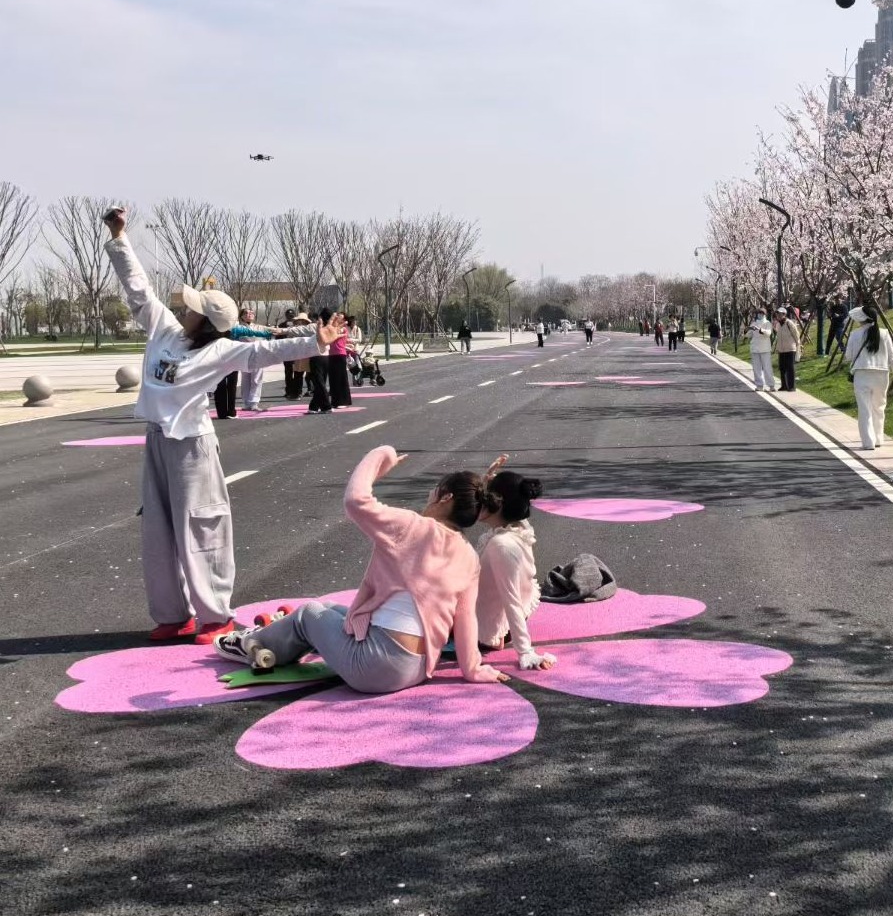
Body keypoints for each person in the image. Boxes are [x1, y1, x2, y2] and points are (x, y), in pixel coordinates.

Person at [101, 207, 341, 644]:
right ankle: (173, 614)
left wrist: (314, 342)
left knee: (201, 525)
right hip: (157, 440)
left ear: (206, 322)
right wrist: (120, 238)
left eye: (192, 309)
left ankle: (215, 616)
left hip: (192, 446)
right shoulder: (164, 329)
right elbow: (138, 289)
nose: (184, 309)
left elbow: (265, 353)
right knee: (157, 530)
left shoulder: (222, 351)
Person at [217, 447, 509, 694]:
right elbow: (465, 617)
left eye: (434, 491)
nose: (429, 496)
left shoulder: (413, 526)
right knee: (330, 609)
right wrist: (472, 668)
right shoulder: (468, 556)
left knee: (308, 614)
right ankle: (279, 638)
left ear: (445, 498)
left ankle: (250, 643)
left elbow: (356, 500)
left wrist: (382, 455)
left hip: (374, 667)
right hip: (418, 668)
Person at [474, 469, 559, 670]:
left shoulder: (501, 545)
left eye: (485, 498)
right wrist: (485, 482)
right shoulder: (518, 526)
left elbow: (511, 599)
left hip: (488, 625)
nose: (478, 502)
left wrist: (525, 651)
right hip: (496, 614)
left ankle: (483, 638)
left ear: (497, 504)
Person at [844, 304, 893, 450]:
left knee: (864, 409)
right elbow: (892, 356)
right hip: (882, 374)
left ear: (861, 319)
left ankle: (868, 442)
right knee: (879, 408)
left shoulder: (855, 335)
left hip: (862, 374)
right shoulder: (884, 334)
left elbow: (848, 356)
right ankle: (879, 438)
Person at [327, 313, 353, 409]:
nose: (338, 317)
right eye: (337, 316)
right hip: (330, 355)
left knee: (340, 378)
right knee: (333, 379)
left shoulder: (343, 329)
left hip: (340, 354)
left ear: (344, 320)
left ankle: (343, 401)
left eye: (340, 317)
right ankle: (335, 401)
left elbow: (336, 334)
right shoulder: (332, 327)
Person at [747, 308, 776, 392]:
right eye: (759, 313)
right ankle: (759, 385)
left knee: (767, 368)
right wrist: (746, 330)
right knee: (756, 369)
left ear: (765, 314)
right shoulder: (753, 323)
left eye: (762, 313)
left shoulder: (767, 323)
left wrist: (760, 330)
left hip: (765, 349)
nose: (760, 315)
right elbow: (748, 335)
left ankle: (771, 385)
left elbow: (768, 333)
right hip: (755, 348)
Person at [774, 306, 801, 391]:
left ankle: (792, 386)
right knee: (782, 368)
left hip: (790, 348)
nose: (778, 315)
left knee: (790, 368)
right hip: (781, 349)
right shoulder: (778, 324)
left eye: (780, 314)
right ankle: (784, 385)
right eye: (777, 314)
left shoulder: (789, 323)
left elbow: (796, 334)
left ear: (784, 314)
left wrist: (798, 344)